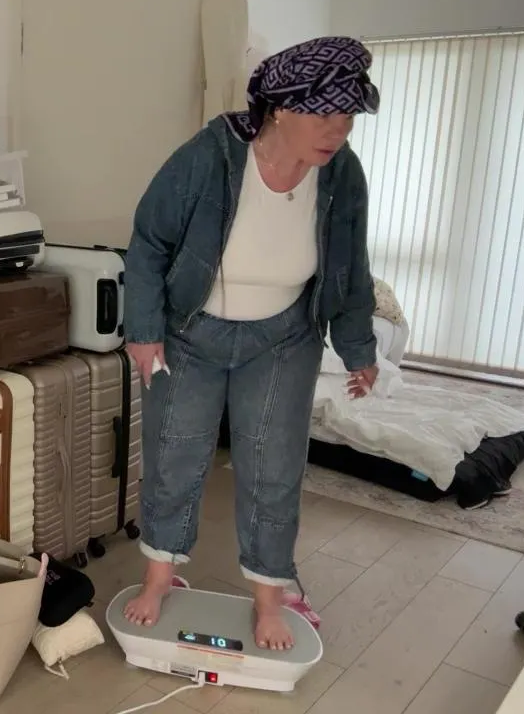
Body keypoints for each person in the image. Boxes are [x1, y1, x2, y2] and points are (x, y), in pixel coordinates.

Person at [120, 36, 381, 651]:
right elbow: (150, 243)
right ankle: (159, 579)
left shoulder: (342, 173)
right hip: (190, 332)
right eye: (325, 114)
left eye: (348, 116)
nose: (339, 130)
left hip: (284, 335)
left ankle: (270, 599)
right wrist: (144, 331)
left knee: (274, 466)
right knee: (174, 456)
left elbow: (351, 263)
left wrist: (359, 348)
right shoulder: (207, 156)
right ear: (282, 109)